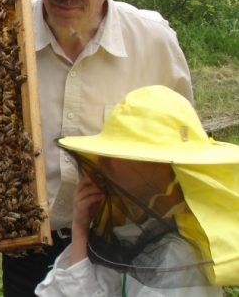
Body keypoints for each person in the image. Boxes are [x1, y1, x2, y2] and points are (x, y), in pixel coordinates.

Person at [1, 0, 193, 296]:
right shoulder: (2, 35)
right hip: (28, 248)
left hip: (127, 249)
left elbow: (184, 152)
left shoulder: (153, 42)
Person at [36, 85, 239, 295]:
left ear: (157, 165)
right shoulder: (141, 227)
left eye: (115, 154)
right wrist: (80, 230)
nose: (101, 164)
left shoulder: (177, 258)